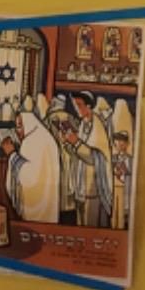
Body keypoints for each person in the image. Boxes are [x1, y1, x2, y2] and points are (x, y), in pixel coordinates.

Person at [62, 92, 114, 227]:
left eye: (79, 105)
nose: (76, 108)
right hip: (81, 186)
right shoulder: (83, 124)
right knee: (80, 224)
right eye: (75, 105)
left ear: (89, 106)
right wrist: (69, 143)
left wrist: (76, 143)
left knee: (90, 224)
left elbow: (94, 157)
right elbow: (79, 153)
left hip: (92, 189)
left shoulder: (97, 127)